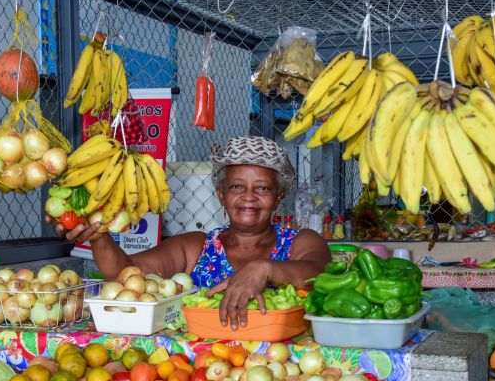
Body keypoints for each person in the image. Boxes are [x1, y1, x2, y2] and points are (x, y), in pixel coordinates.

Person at [50, 136, 331, 329]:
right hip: (199, 376)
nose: (248, 197)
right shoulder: (195, 247)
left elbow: (320, 274)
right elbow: (125, 274)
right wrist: (98, 237)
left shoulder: (302, 242)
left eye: (262, 188)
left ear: (279, 196)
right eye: (236, 187)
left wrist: (265, 269)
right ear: (221, 195)